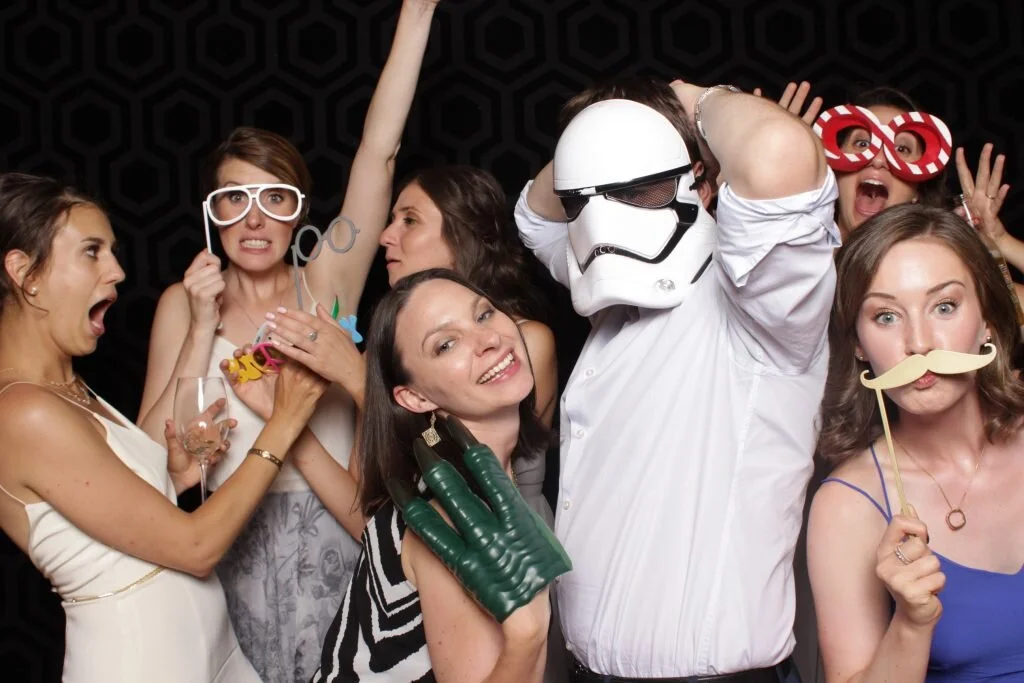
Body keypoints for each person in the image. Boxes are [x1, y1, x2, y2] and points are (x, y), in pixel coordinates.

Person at [136, 1, 440, 679]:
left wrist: (416, 16)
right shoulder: (181, 305)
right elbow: (147, 460)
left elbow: (378, 149)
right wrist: (200, 328)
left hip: (338, 533)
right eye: (233, 199)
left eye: (275, 198)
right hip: (226, 537)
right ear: (211, 214)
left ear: (299, 208)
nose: (254, 218)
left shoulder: (327, 279)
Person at [515, 77, 836, 680]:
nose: (605, 218)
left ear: (704, 181)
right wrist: (610, 121)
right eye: (589, 199)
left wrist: (693, 99)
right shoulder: (610, 287)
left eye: (637, 188)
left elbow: (777, 153)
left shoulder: (762, 305)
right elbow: (535, 217)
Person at [0, 172, 328, 682]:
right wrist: (284, 422)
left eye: (111, 250)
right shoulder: (22, 410)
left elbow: (117, 521)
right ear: (27, 274)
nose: (117, 271)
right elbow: (195, 548)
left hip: (217, 656)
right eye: (92, 252)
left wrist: (173, 476)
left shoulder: (71, 390)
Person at [268, 165, 559, 521]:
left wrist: (356, 378)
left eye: (410, 220)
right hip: (416, 572)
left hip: (510, 563)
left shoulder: (519, 344)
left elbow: (475, 494)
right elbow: (366, 519)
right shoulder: (393, 358)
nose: (385, 236)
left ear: (460, 234)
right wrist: (285, 423)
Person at [809, 203, 1024, 681]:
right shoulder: (847, 505)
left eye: (944, 307)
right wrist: (911, 622)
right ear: (860, 345)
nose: (920, 343)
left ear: (987, 319)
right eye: (886, 316)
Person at [312, 268, 557, 682]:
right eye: (446, 344)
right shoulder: (455, 511)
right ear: (415, 396)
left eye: (483, 315)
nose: (490, 340)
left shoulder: (462, 476)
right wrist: (528, 635)